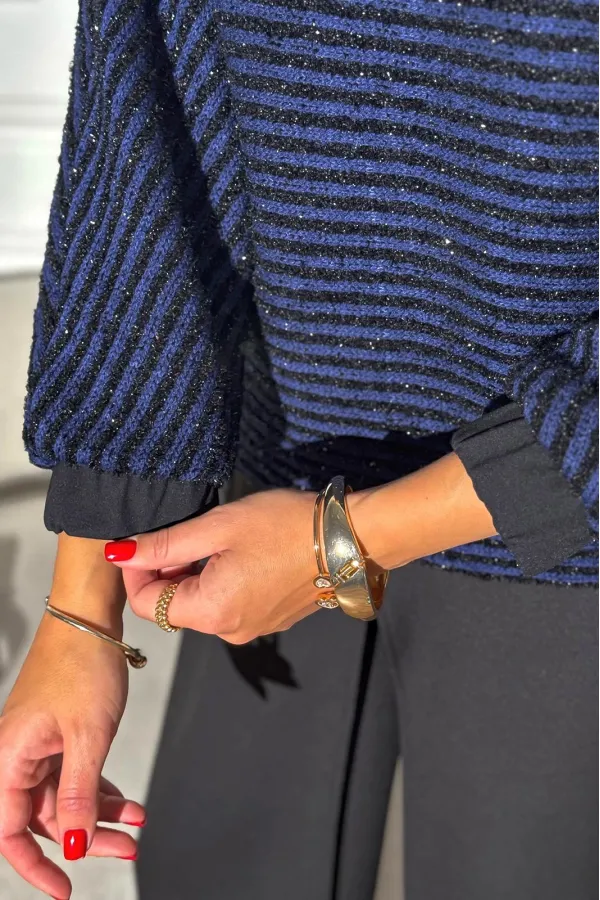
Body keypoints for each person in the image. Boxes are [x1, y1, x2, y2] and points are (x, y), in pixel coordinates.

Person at [0, 0, 597, 898]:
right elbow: (140, 136)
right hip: (274, 491)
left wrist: (340, 546)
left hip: (567, 534)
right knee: (216, 871)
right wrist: (80, 610)